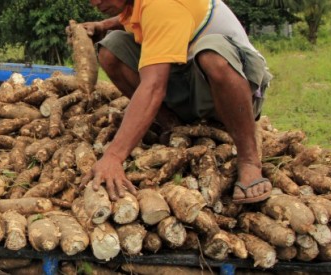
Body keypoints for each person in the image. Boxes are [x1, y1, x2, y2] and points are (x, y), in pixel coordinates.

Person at [78, 0, 273, 204]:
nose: (95, 2)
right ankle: (176, 128)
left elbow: (153, 86)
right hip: (192, 85)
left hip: (237, 92)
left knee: (212, 54)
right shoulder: (136, 6)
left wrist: (113, 156)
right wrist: (103, 26)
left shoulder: (162, 5)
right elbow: (130, 19)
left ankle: (249, 160)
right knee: (112, 48)